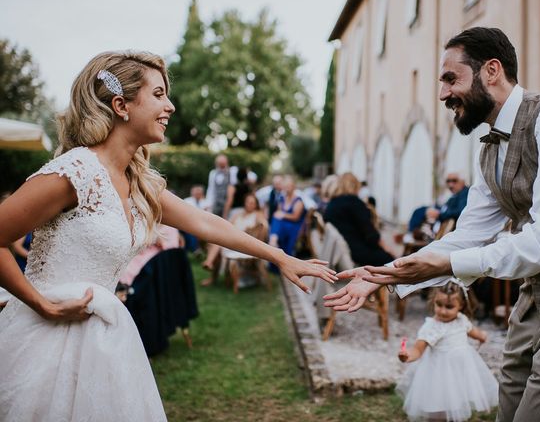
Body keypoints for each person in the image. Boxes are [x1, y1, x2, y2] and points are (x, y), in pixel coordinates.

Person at [0, 50, 336, 421]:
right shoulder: (74, 172)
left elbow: (207, 224)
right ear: (120, 105)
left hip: (98, 342)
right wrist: (41, 304)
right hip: (43, 341)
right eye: (159, 94)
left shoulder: (138, 182)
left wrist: (280, 257)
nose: (171, 106)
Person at [325, 27, 540, 421]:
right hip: (537, 303)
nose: (442, 94)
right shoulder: (490, 151)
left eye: (450, 79)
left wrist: (451, 266)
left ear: (491, 71)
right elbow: (468, 235)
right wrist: (383, 275)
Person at [396, 280, 498, 421]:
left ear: (460, 306)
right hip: (438, 375)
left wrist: (482, 336)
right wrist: (407, 356)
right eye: (439, 304)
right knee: (438, 409)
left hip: (459, 372)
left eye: (449, 307)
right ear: (433, 301)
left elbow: (474, 332)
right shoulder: (431, 327)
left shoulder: (461, 320)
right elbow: (417, 350)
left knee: (456, 401)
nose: (443, 311)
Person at [323, 172, 395, 266]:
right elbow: (371, 235)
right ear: (355, 185)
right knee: (391, 261)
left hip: (345, 252)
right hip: (359, 252)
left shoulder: (331, 205)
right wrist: (388, 250)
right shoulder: (354, 203)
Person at [269, 175, 306, 256]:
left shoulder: (298, 201)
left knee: (277, 221)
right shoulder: (282, 199)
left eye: (289, 186)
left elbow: (296, 218)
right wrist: (280, 215)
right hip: (282, 225)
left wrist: (283, 215)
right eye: (285, 186)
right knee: (276, 219)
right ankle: (274, 240)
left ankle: (273, 240)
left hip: (294, 225)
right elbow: (278, 213)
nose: (287, 188)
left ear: (294, 187)